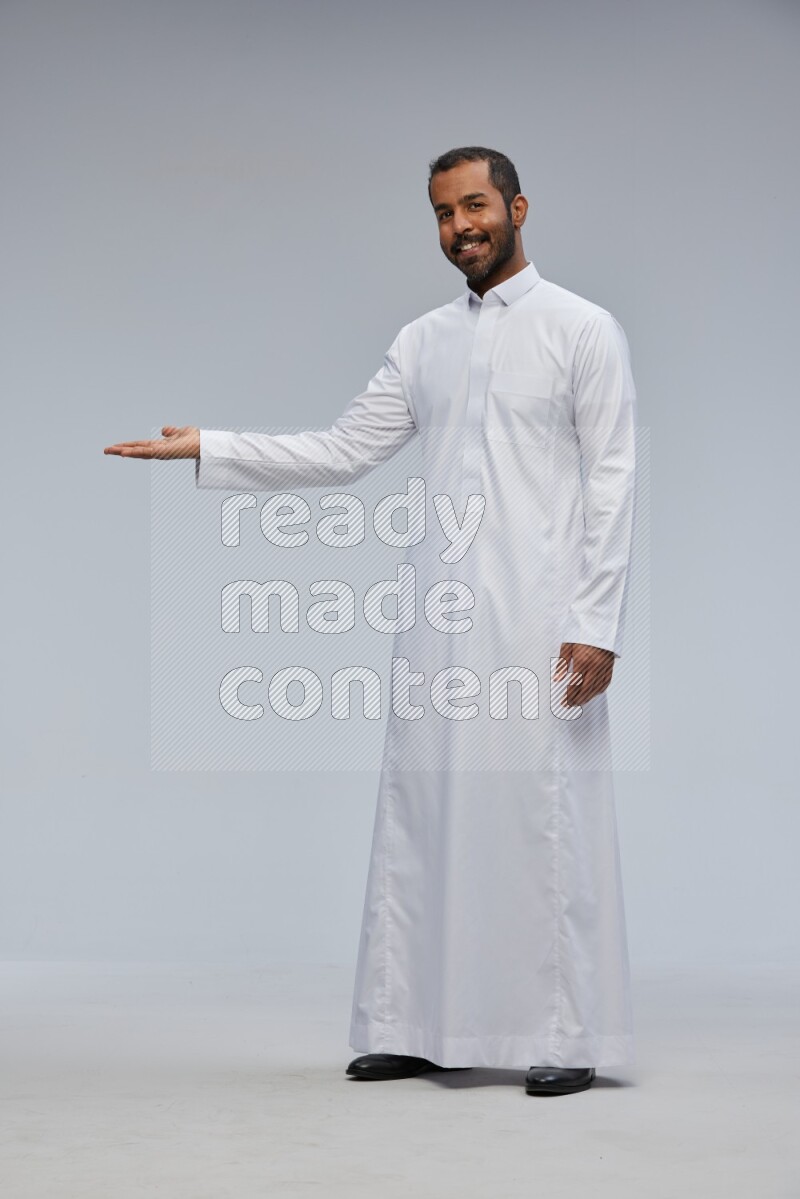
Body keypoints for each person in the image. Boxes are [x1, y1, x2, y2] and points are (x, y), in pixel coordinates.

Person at [105, 146, 639, 1098]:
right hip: (439, 616)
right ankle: (416, 1023)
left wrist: (596, 621)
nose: (459, 227)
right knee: (425, 816)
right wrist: (211, 447)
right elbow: (345, 449)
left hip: (541, 615)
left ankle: (564, 1029)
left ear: (517, 206)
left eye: (474, 205)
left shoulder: (581, 330)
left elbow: (613, 478)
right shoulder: (423, 339)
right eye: (442, 213)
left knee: (542, 815)